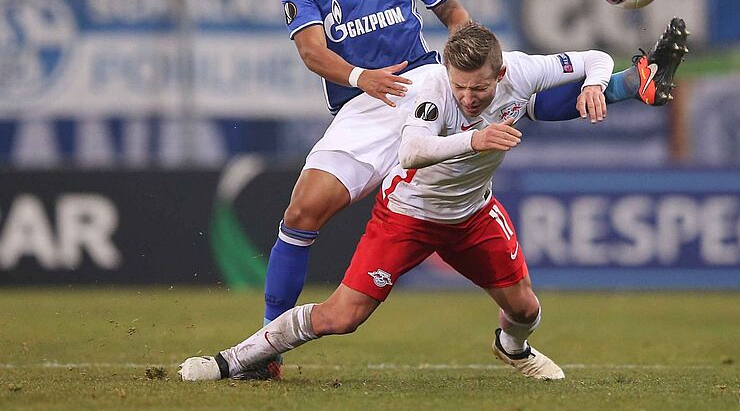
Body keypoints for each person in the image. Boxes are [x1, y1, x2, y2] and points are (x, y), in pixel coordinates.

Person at [254, 0, 688, 380]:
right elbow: (312, 51)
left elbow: (455, 15)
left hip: (423, 89)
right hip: (364, 104)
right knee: (302, 214)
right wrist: (364, 77)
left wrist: (480, 68)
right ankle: (265, 349)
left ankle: (629, 84)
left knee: (514, 96)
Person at [180, 22, 615, 382]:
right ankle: (233, 361)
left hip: (472, 215)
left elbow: (596, 58)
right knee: (342, 317)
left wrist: (596, 84)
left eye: (479, 89)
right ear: (447, 73)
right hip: (408, 216)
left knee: (525, 309)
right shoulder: (432, 88)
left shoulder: (523, 70)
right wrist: (475, 139)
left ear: (500, 75)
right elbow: (411, 151)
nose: (468, 98)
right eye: (460, 87)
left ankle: (513, 348)